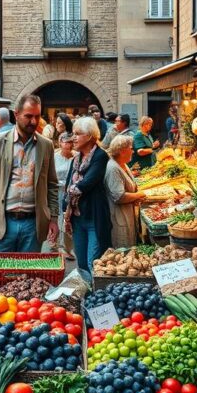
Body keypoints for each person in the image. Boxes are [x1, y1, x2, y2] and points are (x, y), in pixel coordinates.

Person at [0, 94, 59, 253]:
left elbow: (52, 185)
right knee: (0, 274)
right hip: (3, 222)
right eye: (28, 116)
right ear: (16, 115)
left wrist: (54, 219)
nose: (34, 121)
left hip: (33, 224)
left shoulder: (46, 145)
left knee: (27, 275)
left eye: (37, 116)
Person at [63, 117, 111, 279]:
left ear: (90, 136)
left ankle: (97, 300)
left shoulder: (100, 156)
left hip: (94, 218)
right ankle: (86, 299)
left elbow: (87, 183)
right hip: (77, 219)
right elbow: (69, 184)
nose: (73, 138)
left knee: (94, 263)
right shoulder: (75, 159)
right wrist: (66, 207)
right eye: (73, 134)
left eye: (78, 134)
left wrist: (69, 193)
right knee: (82, 264)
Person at [106, 135, 146, 249]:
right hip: (119, 217)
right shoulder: (113, 168)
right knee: (122, 249)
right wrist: (139, 194)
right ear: (122, 151)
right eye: (131, 148)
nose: (133, 151)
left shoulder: (123, 164)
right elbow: (118, 196)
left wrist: (135, 198)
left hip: (127, 215)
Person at [50, 132, 76, 259]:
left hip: (70, 192)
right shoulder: (54, 157)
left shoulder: (76, 157)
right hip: (57, 191)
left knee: (68, 218)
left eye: (71, 142)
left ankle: (67, 247)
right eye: (66, 142)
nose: (69, 145)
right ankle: (55, 245)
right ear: (60, 143)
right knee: (56, 216)